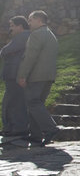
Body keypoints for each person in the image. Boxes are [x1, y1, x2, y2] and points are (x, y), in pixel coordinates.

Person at [17, 10, 59, 146]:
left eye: (30, 20)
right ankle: (36, 135)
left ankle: (50, 129)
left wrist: (22, 75)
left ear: (39, 20)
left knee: (33, 102)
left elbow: (30, 57)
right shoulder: (51, 35)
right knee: (36, 104)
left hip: (36, 76)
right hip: (48, 76)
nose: (28, 23)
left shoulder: (36, 35)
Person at [0, 16, 30, 137]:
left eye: (12, 25)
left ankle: (16, 127)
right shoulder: (21, 37)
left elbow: (5, 51)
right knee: (11, 101)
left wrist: (4, 51)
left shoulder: (23, 36)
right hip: (13, 73)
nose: (10, 29)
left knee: (13, 101)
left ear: (20, 26)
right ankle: (12, 127)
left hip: (15, 74)